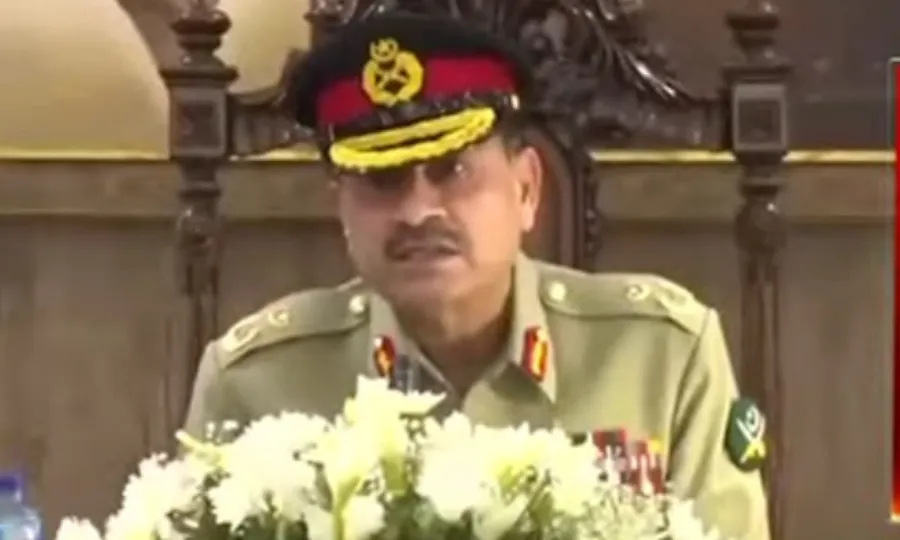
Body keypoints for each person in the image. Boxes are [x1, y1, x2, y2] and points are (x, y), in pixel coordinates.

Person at [183, 11, 770, 540]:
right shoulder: (254, 385)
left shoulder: (662, 359)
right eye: (383, 180)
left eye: (452, 170)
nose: (419, 211)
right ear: (341, 209)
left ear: (526, 189)